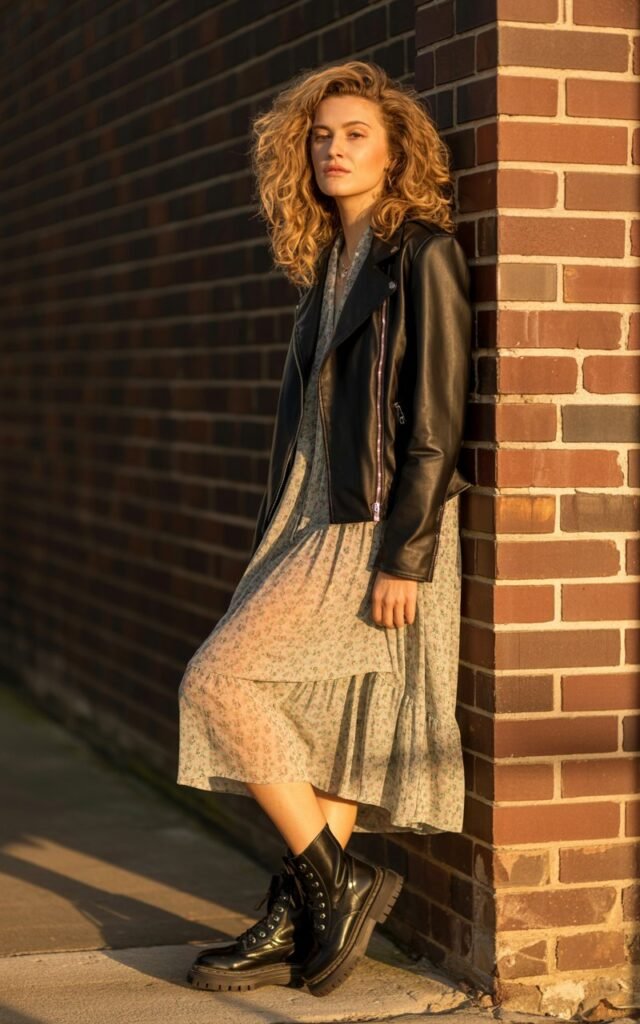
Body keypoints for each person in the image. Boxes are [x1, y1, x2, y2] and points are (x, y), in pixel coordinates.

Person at [176, 59, 472, 998]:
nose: (334, 148)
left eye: (355, 135)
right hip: (312, 517)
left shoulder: (421, 253)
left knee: (219, 678)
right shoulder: (329, 270)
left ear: (395, 154)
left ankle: (333, 884)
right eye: (321, 134)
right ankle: (303, 908)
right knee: (330, 714)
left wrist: (406, 553)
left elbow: (436, 418)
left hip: (376, 522)